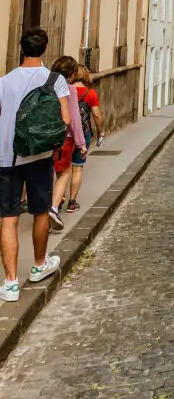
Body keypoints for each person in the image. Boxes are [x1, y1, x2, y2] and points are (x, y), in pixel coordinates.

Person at [0, 28, 70, 302]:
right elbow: (64, 119)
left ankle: (10, 283)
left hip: (6, 158)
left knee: (8, 218)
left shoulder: (4, 81)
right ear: (45, 48)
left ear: (21, 48)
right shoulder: (55, 80)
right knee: (40, 213)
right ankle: (39, 265)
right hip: (39, 158)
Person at [48, 57, 86, 232]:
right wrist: (81, 144)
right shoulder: (69, 89)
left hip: (42, 136)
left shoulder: (44, 85)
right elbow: (74, 121)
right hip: (64, 138)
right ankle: (53, 208)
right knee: (63, 173)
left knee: (47, 171)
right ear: (72, 73)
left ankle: (44, 205)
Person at [67, 64, 103, 213]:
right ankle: (72, 202)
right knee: (77, 167)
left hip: (66, 134)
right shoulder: (90, 93)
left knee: (62, 169)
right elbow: (96, 115)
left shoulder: (66, 91)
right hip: (83, 133)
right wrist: (101, 132)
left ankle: (58, 197)